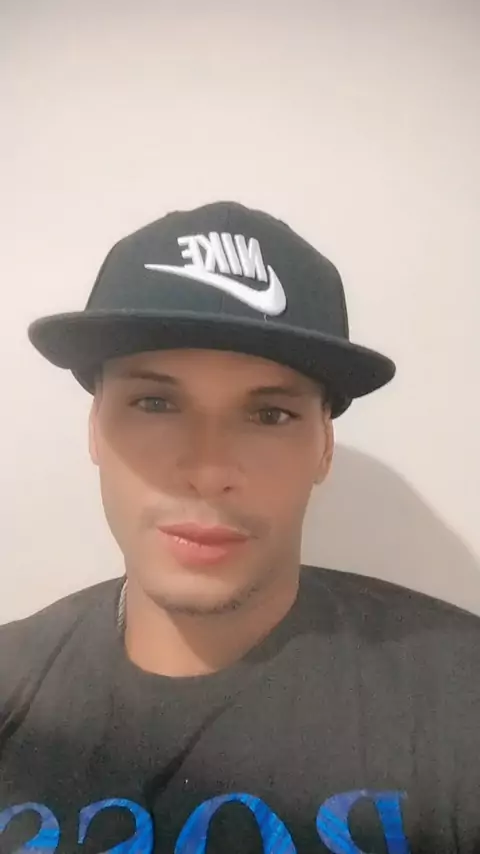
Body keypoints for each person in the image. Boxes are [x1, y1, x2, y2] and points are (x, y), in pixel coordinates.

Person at [1, 201, 479, 854]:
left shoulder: (458, 693)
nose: (208, 470)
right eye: (155, 402)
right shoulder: (13, 689)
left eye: (269, 415)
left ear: (324, 447)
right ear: (94, 429)